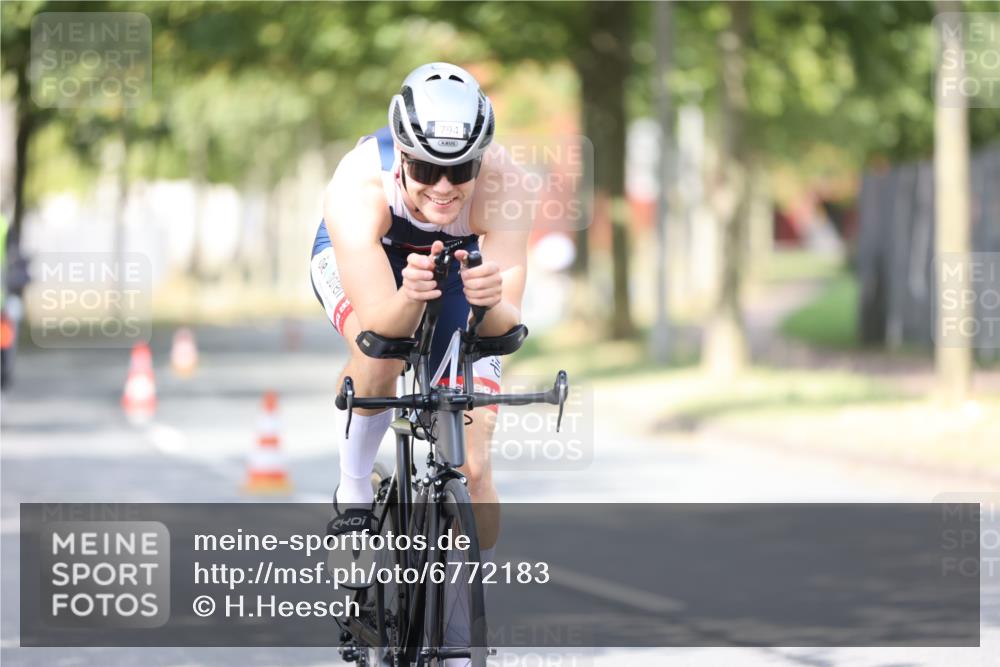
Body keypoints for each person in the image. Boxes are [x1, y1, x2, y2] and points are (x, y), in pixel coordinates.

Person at [309, 63, 529, 598]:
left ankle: (462, 630)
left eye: (461, 169)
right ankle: (356, 494)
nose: (446, 187)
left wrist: (488, 300)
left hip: (459, 268)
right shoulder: (359, 182)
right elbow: (381, 327)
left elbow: (506, 330)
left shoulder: (506, 184)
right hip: (373, 264)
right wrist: (408, 296)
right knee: (382, 354)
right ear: (402, 156)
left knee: (474, 469)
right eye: (427, 170)